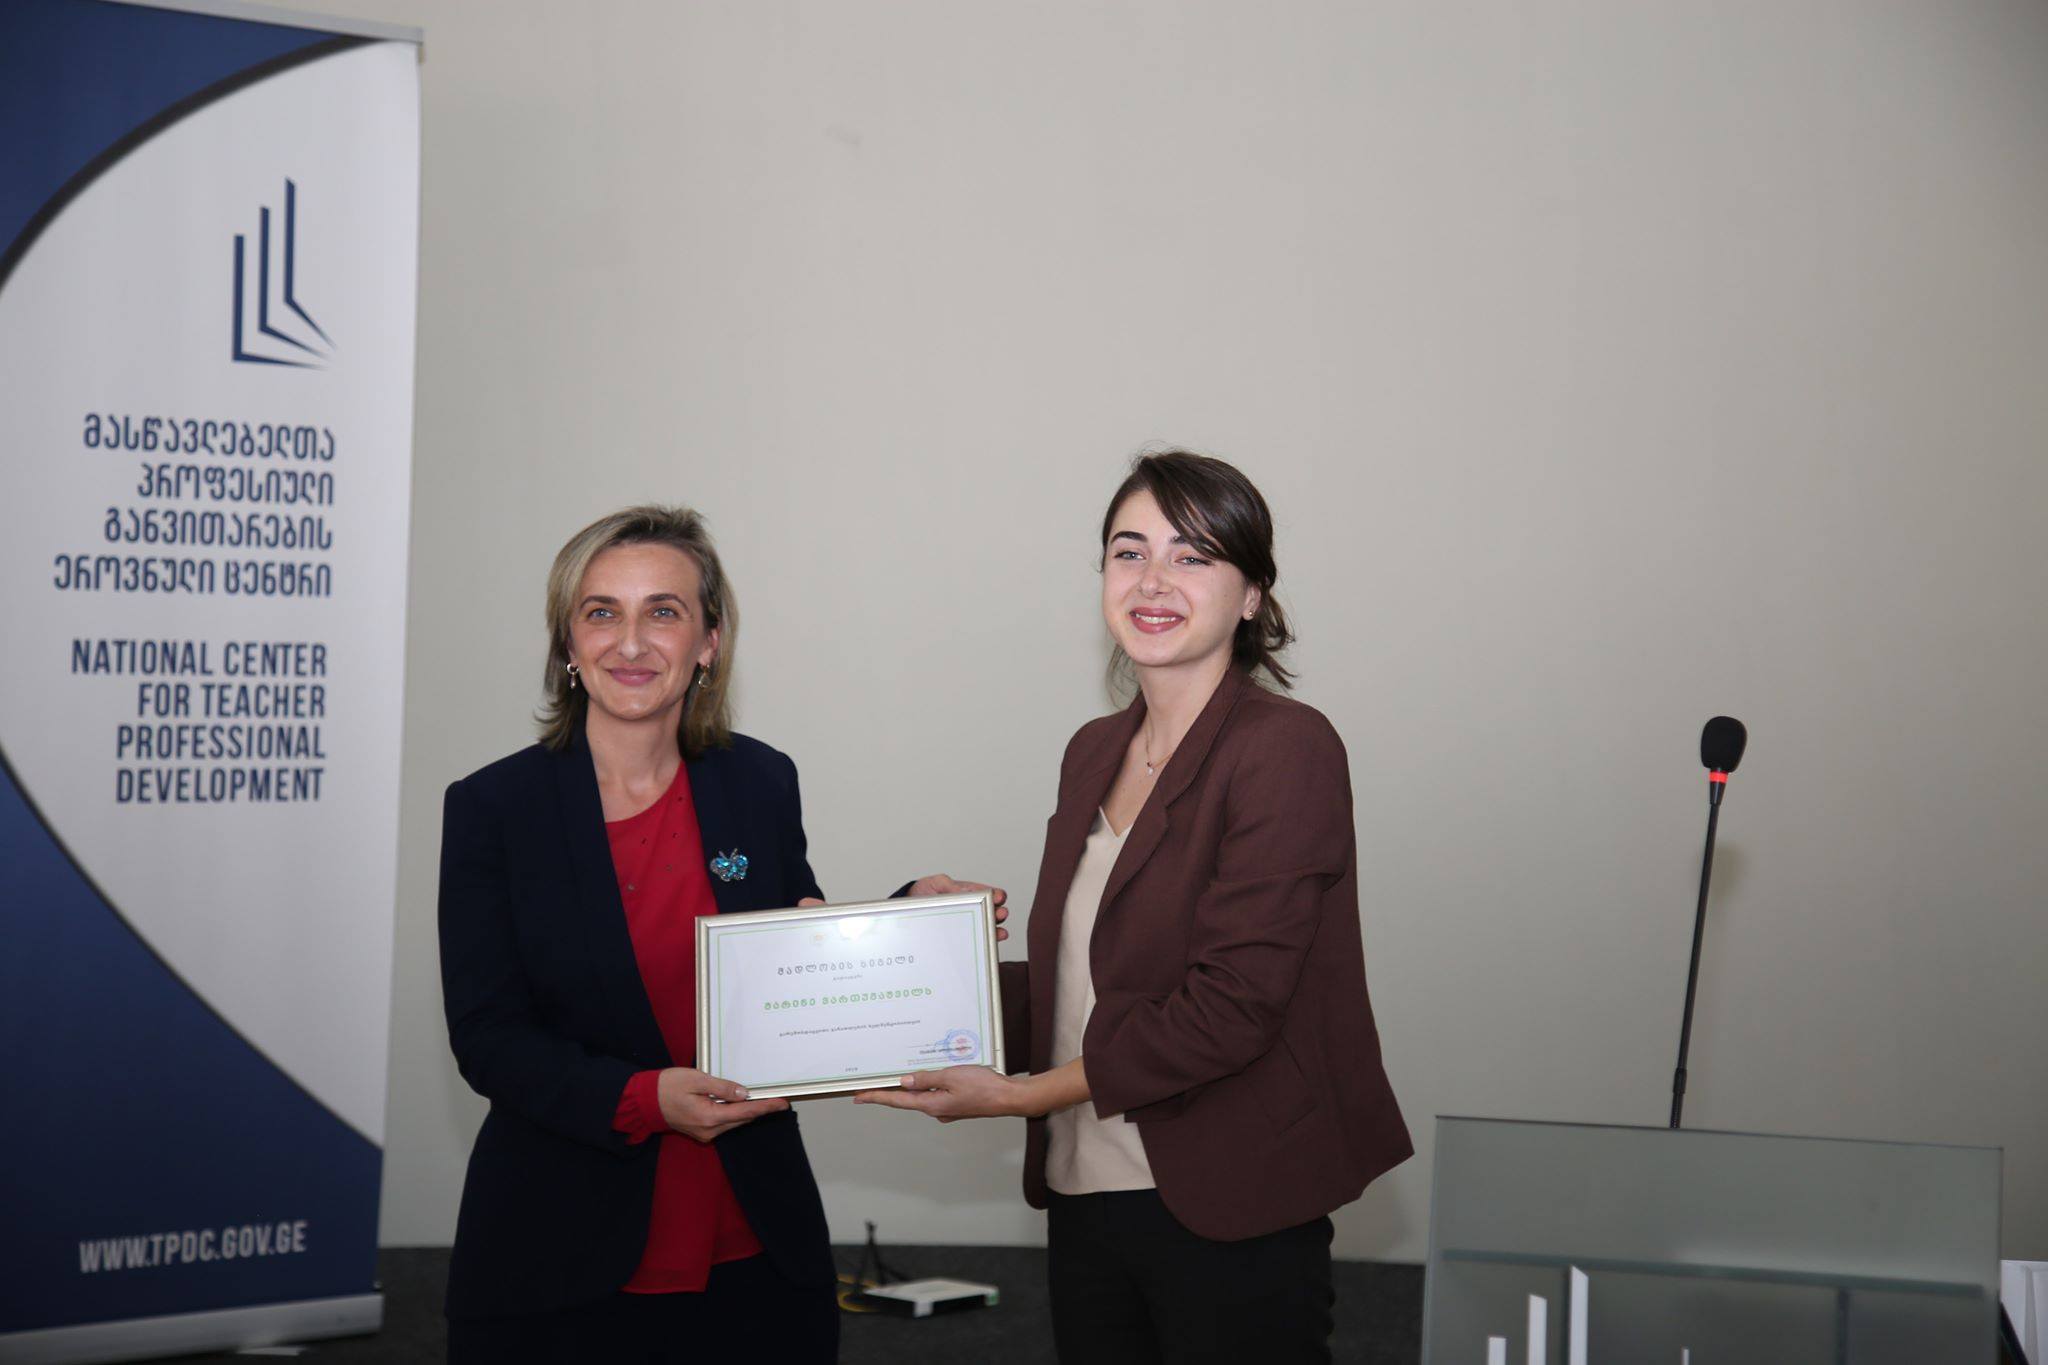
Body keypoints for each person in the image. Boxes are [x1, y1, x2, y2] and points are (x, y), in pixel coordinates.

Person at [857, 451, 1411, 1363]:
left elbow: (1230, 1007)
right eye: (1129, 551)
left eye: (1192, 555)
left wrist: (1022, 1094)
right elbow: (1083, 984)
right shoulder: (1093, 749)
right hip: (1087, 1192)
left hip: (1230, 1198)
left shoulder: (1286, 747)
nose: (1153, 580)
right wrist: (902, 957)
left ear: (1252, 595)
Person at [438, 505, 999, 1362]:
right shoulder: (493, 808)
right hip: (559, 1256)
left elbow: (792, 960)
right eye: (601, 611)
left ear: (708, 641)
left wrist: (910, 920)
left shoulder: (758, 780)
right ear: (567, 642)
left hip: (754, 1249)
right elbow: (488, 1037)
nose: (631, 641)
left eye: (663, 611)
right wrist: (643, 1099)